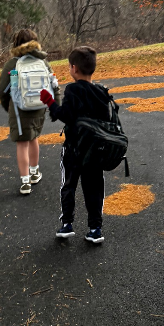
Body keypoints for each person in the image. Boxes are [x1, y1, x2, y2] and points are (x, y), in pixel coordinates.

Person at [39, 45, 111, 245]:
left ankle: (67, 224)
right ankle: (95, 228)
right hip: (95, 151)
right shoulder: (102, 92)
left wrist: (50, 102)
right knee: (94, 188)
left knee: (69, 185)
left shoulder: (72, 90)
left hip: (74, 149)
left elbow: (65, 116)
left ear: (73, 68)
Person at [0, 29, 61, 195]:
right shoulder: (43, 62)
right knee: (34, 138)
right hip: (39, 107)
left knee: (22, 143)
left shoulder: (12, 64)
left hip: (19, 110)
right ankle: (35, 173)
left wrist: (8, 107)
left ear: (16, 43)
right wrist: (55, 106)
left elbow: (2, 90)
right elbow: (54, 84)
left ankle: (25, 182)